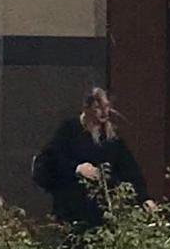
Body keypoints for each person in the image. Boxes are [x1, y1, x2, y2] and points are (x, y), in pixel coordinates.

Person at [29, 86, 142, 233]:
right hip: (72, 207)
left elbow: (129, 168)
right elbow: (52, 161)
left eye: (106, 107)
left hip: (102, 212)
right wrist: (77, 169)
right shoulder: (70, 130)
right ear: (87, 108)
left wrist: (144, 197)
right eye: (98, 107)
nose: (104, 112)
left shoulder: (111, 138)